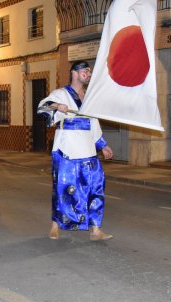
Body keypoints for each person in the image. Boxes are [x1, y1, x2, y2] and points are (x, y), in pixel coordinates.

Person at [37, 60, 114, 241]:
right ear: (74, 73)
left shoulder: (89, 97)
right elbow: (42, 107)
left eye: (89, 71)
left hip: (88, 151)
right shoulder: (61, 94)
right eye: (84, 71)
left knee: (95, 188)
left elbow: (93, 123)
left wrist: (103, 145)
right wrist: (57, 106)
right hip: (66, 151)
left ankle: (95, 230)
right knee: (62, 188)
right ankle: (55, 225)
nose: (88, 73)